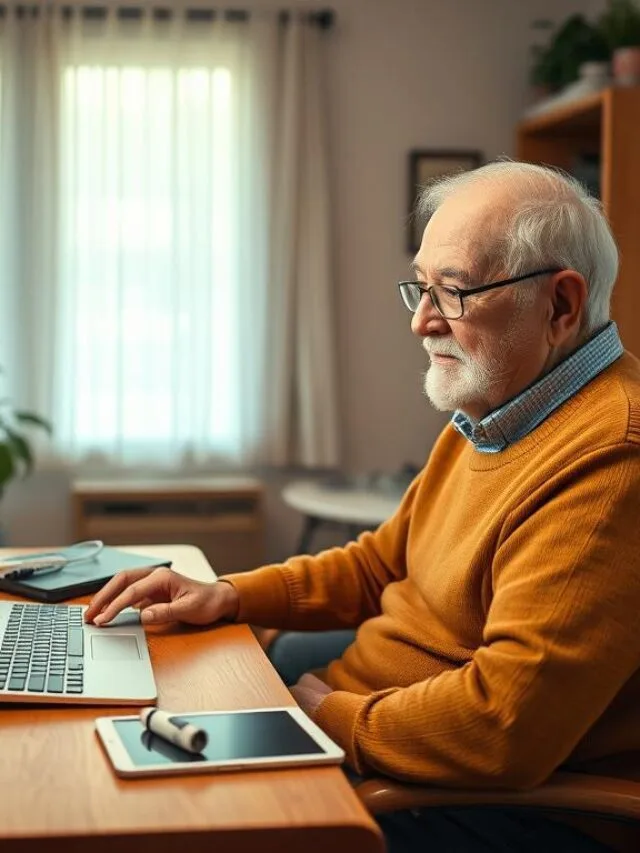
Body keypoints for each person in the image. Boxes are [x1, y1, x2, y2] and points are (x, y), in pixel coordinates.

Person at [85, 161, 640, 852]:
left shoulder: (611, 461)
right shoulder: (500, 411)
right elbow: (382, 564)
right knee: (143, 698)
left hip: (482, 804)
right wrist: (226, 595)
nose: (421, 321)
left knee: (156, 819)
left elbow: (504, 728)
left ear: (560, 304)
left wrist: (327, 715)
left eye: (455, 292)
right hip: (377, 721)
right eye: (422, 287)